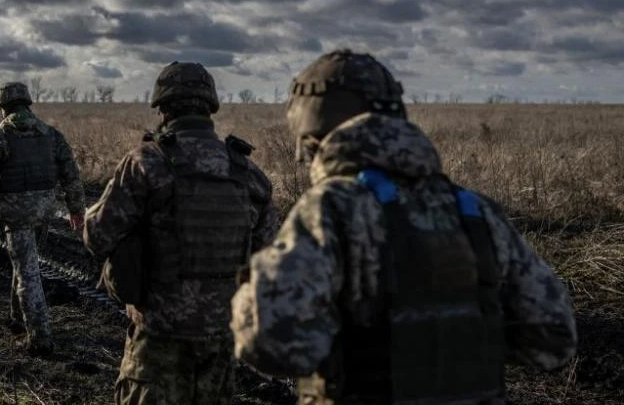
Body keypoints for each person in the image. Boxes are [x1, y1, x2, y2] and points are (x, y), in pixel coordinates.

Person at [231, 49, 577, 404]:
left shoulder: (331, 209)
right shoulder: (475, 211)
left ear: (309, 130)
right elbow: (552, 340)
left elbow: (272, 342)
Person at [84, 62, 278, 405]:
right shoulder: (249, 174)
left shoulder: (146, 162)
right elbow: (267, 262)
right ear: (210, 107)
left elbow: (98, 237)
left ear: (163, 109)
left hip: (158, 337)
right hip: (220, 340)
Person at [0, 81, 86, 355]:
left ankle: (40, 339)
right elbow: (71, 175)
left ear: (3, 108)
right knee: (25, 262)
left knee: (28, 273)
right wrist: (76, 210)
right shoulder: (52, 135)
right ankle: (16, 319)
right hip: (45, 212)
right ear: (27, 104)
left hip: (15, 214)